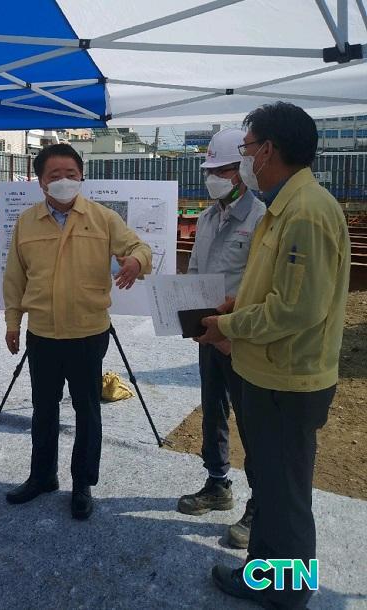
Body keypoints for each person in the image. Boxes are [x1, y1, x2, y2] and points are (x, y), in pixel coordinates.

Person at [199, 103, 351, 609]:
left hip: (288, 379)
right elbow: (273, 289)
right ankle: (263, 575)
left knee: (285, 496)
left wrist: (229, 325)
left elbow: (297, 309)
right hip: (269, 372)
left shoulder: (305, 212)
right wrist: (236, 304)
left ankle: (288, 591)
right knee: (270, 481)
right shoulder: (285, 207)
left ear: (267, 150)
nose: (244, 159)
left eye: (246, 149)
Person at [3, 144, 152, 520]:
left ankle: (82, 483)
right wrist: (12, 323)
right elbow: (14, 278)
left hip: (88, 333)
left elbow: (139, 246)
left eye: (70, 174)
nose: (64, 181)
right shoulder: (26, 223)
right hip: (42, 334)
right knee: (43, 408)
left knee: (87, 409)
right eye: (54, 175)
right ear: (41, 182)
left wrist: (136, 261)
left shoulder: (103, 218)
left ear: (82, 176)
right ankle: (42, 476)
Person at [178, 129, 265, 551]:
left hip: (242, 338)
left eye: (224, 169)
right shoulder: (208, 218)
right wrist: (191, 320)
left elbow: (261, 287)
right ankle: (218, 484)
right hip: (209, 334)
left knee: (252, 421)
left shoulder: (262, 219)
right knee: (213, 408)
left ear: (243, 170)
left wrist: (231, 330)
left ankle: (261, 504)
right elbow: (197, 274)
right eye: (210, 170)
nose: (215, 178)